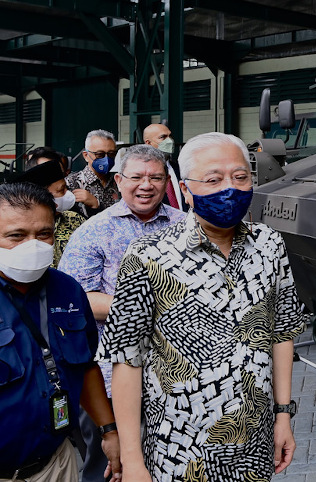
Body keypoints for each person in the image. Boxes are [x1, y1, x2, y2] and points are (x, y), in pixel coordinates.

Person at [100, 132, 306, 481]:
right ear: (185, 189)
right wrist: (133, 461)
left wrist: (283, 414)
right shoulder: (147, 256)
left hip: (254, 445)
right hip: (178, 449)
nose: (231, 187)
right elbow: (126, 360)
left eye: (240, 177)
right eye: (213, 179)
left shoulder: (269, 244)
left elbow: (281, 332)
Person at [60, 144, 185, 482]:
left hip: (175, 377)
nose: (146, 185)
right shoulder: (93, 231)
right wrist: (145, 305)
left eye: (156, 177)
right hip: (111, 380)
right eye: (137, 177)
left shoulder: (185, 227)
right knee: (109, 470)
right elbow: (77, 299)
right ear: (118, 180)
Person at [0, 182, 121, 481]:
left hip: (55, 464)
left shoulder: (67, 289)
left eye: (44, 234)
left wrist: (108, 430)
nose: (34, 244)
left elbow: (85, 365)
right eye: (16, 236)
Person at [14, 159, 85, 266]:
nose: (68, 193)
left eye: (66, 188)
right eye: (61, 190)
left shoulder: (74, 219)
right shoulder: (20, 224)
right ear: (42, 195)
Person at [66, 130, 121, 217]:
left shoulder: (120, 182)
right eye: (100, 154)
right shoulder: (71, 183)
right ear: (86, 156)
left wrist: (97, 204)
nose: (106, 159)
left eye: (111, 154)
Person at [143, 122, 184, 210]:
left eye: (170, 136)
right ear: (148, 143)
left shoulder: (181, 169)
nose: (169, 141)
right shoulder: (141, 172)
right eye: (163, 137)